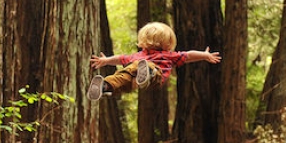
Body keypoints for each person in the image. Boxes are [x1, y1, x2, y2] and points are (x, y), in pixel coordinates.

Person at [87, 21, 221, 100]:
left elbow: (189, 55)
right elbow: (120, 59)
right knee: (122, 77)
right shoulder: (139, 55)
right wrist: (105, 61)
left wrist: (204, 55)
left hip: (156, 77)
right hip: (134, 81)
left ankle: (147, 73)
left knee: (145, 66)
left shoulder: (168, 55)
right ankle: (105, 86)